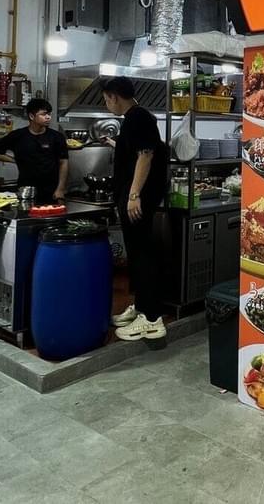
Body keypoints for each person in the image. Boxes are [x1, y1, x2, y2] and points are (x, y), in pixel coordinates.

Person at [102, 76, 170, 342]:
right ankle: (141, 307)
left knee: (143, 255)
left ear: (114, 97)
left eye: (106, 100)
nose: (108, 105)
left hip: (138, 199)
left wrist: (133, 195)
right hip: (137, 197)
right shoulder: (136, 118)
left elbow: (146, 154)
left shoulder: (137, 117)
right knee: (138, 253)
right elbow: (137, 150)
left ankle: (151, 319)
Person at [0, 98, 69, 203]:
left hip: (52, 192)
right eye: (43, 114)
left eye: (49, 114)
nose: (48, 117)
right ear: (31, 116)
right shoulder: (18, 136)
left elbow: (64, 162)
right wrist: (14, 160)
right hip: (25, 191)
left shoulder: (56, 137)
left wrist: (60, 189)